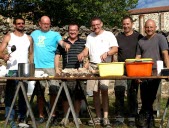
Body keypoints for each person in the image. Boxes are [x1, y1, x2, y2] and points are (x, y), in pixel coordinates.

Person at [78, 17, 118, 127]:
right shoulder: (90, 36)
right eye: (93, 25)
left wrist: (107, 53)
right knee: (95, 93)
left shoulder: (109, 34)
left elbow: (115, 49)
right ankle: (98, 117)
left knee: (104, 91)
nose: (96, 27)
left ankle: (106, 118)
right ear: (91, 26)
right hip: (92, 67)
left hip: (105, 67)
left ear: (101, 24)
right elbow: (87, 50)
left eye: (97, 24)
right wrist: (82, 54)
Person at [31, 15, 70, 126]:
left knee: (53, 91)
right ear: (40, 23)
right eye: (44, 23)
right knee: (39, 92)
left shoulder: (55, 34)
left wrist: (65, 44)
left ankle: (53, 114)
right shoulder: (34, 34)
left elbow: (61, 42)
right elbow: (28, 46)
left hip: (51, 67)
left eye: (48, 23)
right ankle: (41, 115)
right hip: (37, 67)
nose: (46, 25)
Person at [0, 17, 33, 128]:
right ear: (14, 25)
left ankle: (22, 116)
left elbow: (31, 54)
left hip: (24, 69)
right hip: (11, 70)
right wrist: (4, 55)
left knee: (23, 94)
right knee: (10, 94)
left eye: (22, 23)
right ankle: (9, 117)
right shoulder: (9, 36)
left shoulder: (28, 38)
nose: (21, 25)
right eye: (18, 23)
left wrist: (31, 66)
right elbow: (0, 51)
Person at [136, 19, 169, 128]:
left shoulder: (161, 38)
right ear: (144, 28)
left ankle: (145, 119)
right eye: (147, 27)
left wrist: (168, 70)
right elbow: (138, 58)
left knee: (150, 98)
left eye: (151, 27)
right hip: (144, 72)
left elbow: (165, 54)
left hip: (156, 73)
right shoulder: (141, 41)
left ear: (155, 28)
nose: (149, 29)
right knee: (145, 98)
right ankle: (149, 123)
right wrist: (137, 74)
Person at [113, 16, 143, 127]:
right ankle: (119, 118)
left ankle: (132, 118)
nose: (126, 26)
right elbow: (113, 50)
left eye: (128, 24)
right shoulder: (118, 37)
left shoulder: (139, 36)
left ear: (132, 24)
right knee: (119, 92)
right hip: (120, 70)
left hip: (134, 69)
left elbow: (143, 51)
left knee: (132, 94)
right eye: (124, 24)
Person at [55, 23, 86, 125]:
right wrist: (57, 68)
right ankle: (66, 117)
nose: (73, 32)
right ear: (68, 31)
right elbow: (57, 56)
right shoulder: (63, 43)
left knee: (78, 96)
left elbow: (87, 57)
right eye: (71, 30)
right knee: (65, 96)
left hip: (78, 73)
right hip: (66, 73)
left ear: (78, 31)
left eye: (75, 30)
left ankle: (76, 116)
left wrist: (86, 66)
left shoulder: (83, 42)